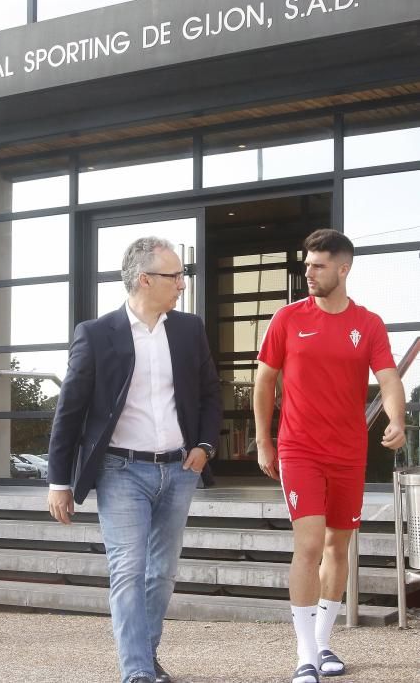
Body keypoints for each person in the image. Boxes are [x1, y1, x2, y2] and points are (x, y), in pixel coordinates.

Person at [47, 236, 222, 683]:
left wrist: (205, 446)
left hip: (180, 470)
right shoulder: (96, 334)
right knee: (128, 569)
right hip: (120, 471)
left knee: (161, 574)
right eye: (175, 275)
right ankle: (139, 671)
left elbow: (208, 395)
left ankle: (146, 655)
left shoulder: (189, 329)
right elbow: (70, 410)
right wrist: (59, 481)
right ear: (144, 279)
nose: (182, 284)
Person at [253, 229, 405, 683]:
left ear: (344, 268)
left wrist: (396, 419)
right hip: (299, 448)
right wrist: (264, 440)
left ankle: (322, 642)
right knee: (310, 543)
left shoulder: (369, 323)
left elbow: (389, 377)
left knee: (339, 547)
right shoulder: (286, 319)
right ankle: (303, 654)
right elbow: (264, 382)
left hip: (349, 452)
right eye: (307, 264)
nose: (309, 273)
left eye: (318, 265)